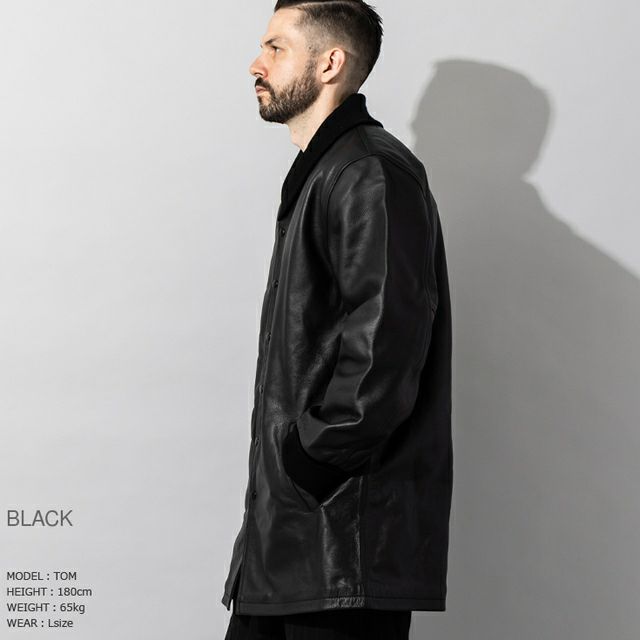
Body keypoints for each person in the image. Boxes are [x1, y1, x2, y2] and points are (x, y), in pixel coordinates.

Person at [222, 1, 453, 638]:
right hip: (290, 547)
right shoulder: (329, 170)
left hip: (341, 549)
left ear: (329, 63)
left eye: (275, 48)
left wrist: (312, 460)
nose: (255, 64)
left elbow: (387, 342)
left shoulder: (368, 172)